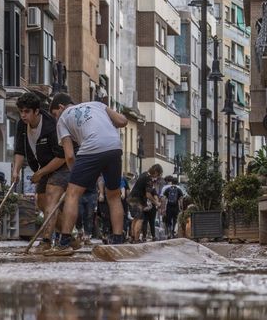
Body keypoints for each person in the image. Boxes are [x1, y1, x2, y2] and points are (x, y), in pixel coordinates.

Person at [44, 93, 129, 256]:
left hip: (90, 148)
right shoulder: (97, 105)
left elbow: (69, 156)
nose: (56, 118)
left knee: (72, 194)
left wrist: (75, 176)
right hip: (114, 146)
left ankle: (64, 243)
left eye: (55, 114)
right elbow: (122, 121)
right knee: (114, 196)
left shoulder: (62, 119)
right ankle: (118, 242)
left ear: (61, 107)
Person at [11, 92, 69, 251]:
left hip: (61, 166)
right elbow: (19, 150)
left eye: (27, 111)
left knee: (51, 197)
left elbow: (62, 156)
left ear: (36, 111)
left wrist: (40, 173)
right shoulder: (21, 125)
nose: (23, 115)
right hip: (42, 168)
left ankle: (46, 241)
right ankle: (70, 236)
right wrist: (16, 171)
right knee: (43, 204)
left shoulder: (52, 125)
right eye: (21, 111)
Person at [128, 164, 162, 243]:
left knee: (135, 218)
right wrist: (156, 203)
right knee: (140, 219)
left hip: (131, 198)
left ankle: (132, 237)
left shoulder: (144, 174)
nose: (158, 176)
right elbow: (148, 195)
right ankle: (136, 239)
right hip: (137, 200)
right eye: (158, 174)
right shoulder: (148, 179)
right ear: (156, 172)